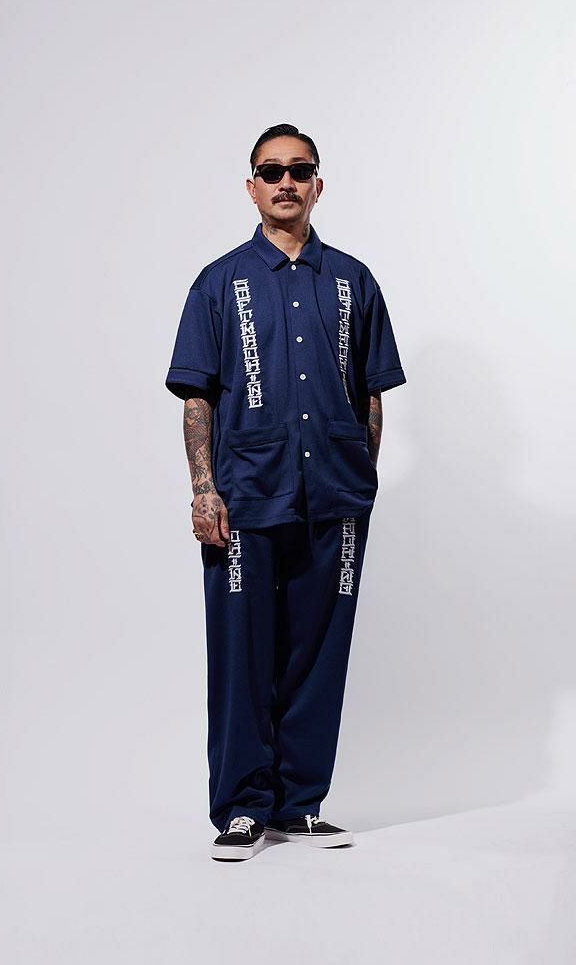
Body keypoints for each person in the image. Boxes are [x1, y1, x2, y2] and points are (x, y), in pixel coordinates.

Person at [165, 123, 407, 861]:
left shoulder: (353, 281)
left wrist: (359, 478)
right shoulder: (220, 282)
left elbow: (371, 393)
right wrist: (204, 490)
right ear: (252, 187)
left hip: (336, 498)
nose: (286, 182)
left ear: (318, 184)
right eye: (271, 171)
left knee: (318, 653)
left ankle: (299, 804)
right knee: (242, 653)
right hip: (246, 495)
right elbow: (197, 397)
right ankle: (243, 807)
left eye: (300, 170)